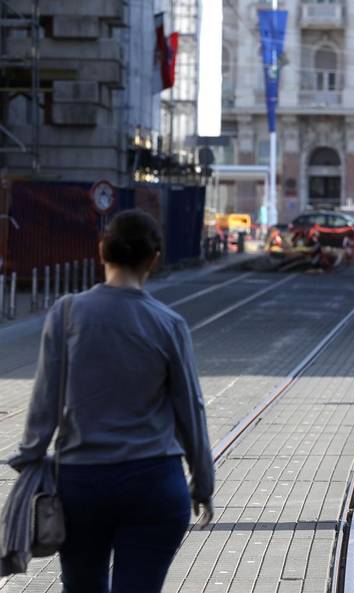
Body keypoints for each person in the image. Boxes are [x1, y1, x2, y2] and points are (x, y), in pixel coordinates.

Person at [9, 210, 214, 592]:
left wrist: (30, 458)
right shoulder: (169, 323)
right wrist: (202, 482)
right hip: (154, 483)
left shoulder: (66, 313)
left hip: (82, 485)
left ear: (101, 250)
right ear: (154, 259)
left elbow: (44, 403)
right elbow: (191, 410)